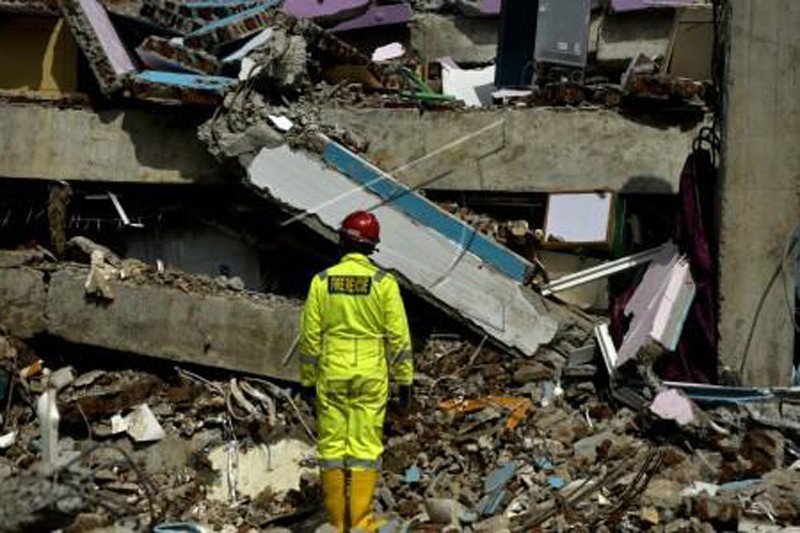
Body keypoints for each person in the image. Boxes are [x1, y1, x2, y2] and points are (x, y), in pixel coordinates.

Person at [299, 210, 413, 532]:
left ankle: (337, 524)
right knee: (364, 450)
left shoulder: (322, 282)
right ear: (372, 246)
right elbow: (398, 337)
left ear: (342, 240)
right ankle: (361, 525)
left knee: (333, 450)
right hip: (369, 376)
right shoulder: (383, 283)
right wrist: (404, 379)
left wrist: (308, 379)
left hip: (332, 374)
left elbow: (309, 337)